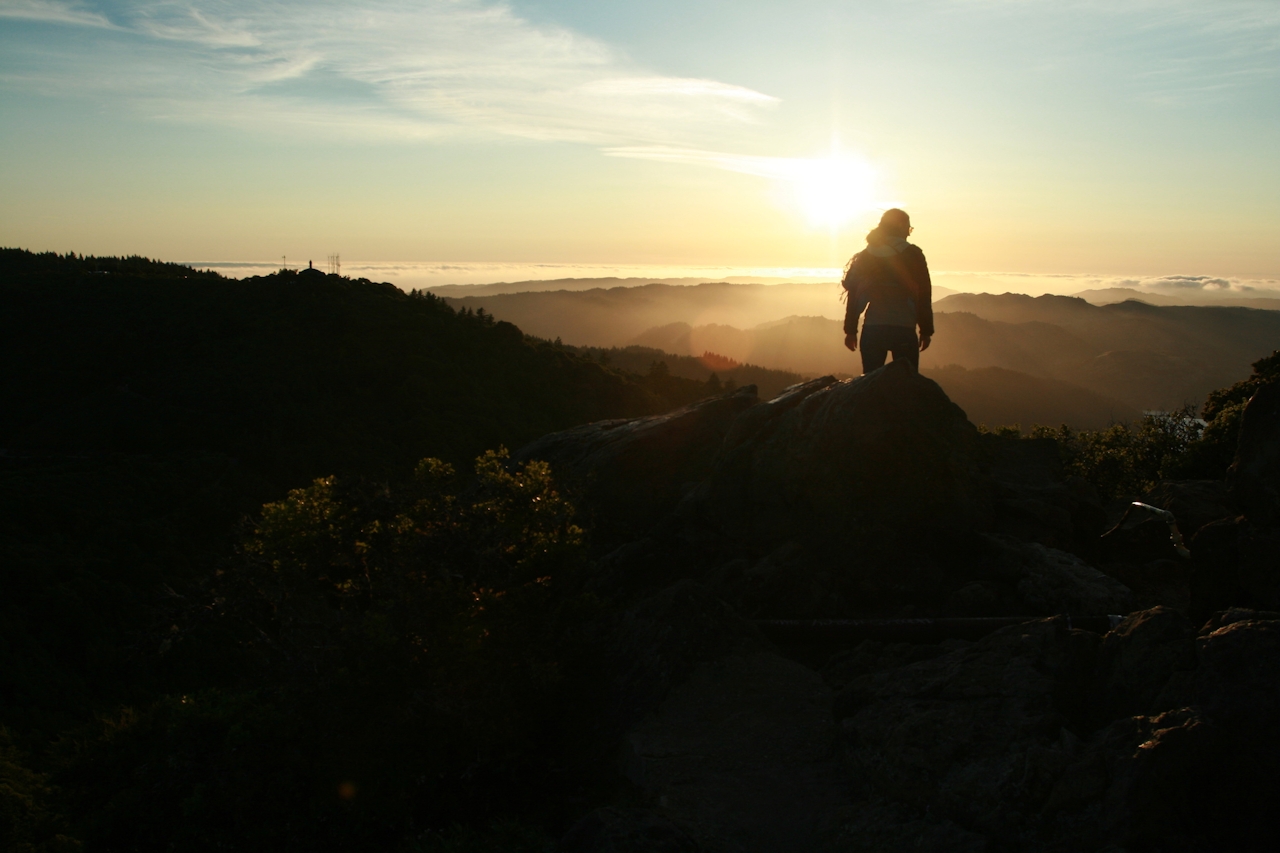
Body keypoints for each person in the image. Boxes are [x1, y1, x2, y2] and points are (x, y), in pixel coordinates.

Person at [842, 208, 934, 374]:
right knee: (907, 384)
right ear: (900, 225)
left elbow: (854, 294)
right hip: (904, 329)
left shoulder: (866, 255)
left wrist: (850, 330)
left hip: (872, 330)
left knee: (870, 384)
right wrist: (926, 331)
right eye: (909, 228)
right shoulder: (913, 254)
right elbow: (923, 294)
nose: (909, 233)